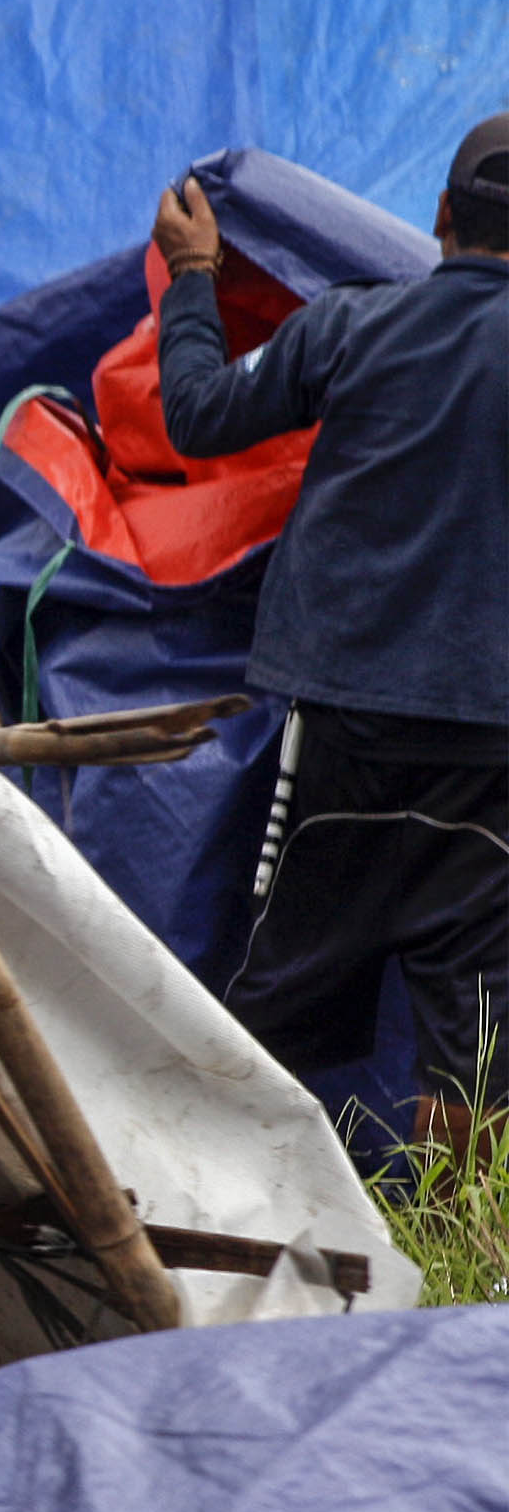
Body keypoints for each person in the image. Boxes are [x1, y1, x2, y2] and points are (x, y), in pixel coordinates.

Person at [156, 125, 509, 1136]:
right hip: (488, 749)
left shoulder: (349, 328)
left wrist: (192, 277)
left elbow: (196, 416)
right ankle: (469, 1272)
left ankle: (243, 1224)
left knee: (276, 1007)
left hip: (345, 729)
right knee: (476, 1036)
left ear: (441, 219)